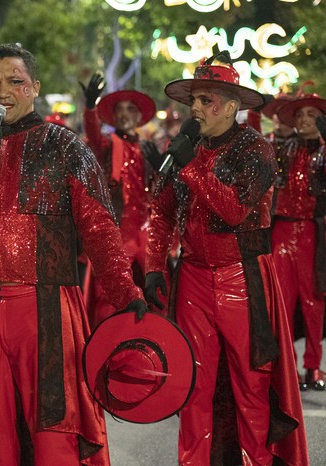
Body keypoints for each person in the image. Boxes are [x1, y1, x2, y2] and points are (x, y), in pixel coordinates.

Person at [0, 43, 145, 466]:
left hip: (47, 309)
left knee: (55, 431)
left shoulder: (66, 147)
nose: (3, 91)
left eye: (15, 81)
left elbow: (100, 228)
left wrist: (126, 293)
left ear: (34, 88)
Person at [144, 52, 308, 465]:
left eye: (205, 99)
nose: (195, 108)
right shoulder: (183, 148)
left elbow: (234, 210)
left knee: (252, 385)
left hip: (244, 277)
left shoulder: (257, 149)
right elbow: (160, 211)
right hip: (194, 278)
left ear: (232, 107)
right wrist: (152, 265)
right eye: (193, 99)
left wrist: (192, 166)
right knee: (193, 384)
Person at [79, 75, 163, 327]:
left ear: (139, 117)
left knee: (157, 289)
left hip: (145, 230)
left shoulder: (149, 149)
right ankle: (109, 343)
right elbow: (93, 134)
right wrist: (90, 107)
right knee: (110, 293)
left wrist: (162, 167)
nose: (125, 114)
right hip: (117, 230)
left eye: (131, 109)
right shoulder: (106, 145)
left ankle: (156, 342)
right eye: (120, 109)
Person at [273, 89, 326, 391]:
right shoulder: (282, 148)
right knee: (283, 302)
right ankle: (289, 366)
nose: (305, 120)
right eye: (300, 114)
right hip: (281, 231)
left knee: (312, 303)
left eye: (312, 115)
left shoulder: (323, 149)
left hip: (311, 233)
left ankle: (313, 367)